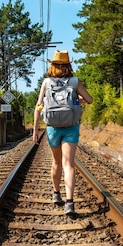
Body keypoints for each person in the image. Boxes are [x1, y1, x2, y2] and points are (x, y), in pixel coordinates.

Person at [32, 50, 93, 215]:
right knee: (69, 164)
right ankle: (70, 203)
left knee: (56, 162)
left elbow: (38, 106)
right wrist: (76, 100)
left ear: (52, 65)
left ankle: (56, 193)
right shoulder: (75, 81)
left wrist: (35, 129)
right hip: (71, 127)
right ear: (68, 65)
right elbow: (89, 99)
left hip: (52, 128)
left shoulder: (46, 82)